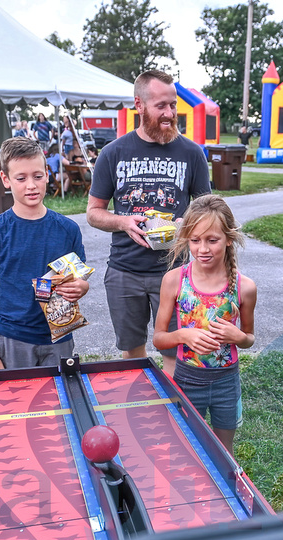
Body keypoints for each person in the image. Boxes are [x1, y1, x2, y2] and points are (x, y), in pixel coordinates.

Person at [86, 69, 211, 375]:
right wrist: (122, 222)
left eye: (173, 106)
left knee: (174, 349)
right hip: (124, 272)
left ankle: (173, 412)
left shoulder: (191, 154)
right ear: (139, 105)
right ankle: (138, 409)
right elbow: (93, 212)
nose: (169, 114)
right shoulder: (113, 153)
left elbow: (207, 209)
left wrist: (188, 223)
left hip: (175, 272)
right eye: (161, 106)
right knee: (132, 351)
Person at [153, 195, 256, 455]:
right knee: (187, 448)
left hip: (226, 382)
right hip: (187, 379)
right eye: (195, 240)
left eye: (212, 240)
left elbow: (249, 337)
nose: (203, 249)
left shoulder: (245, 287)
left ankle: (227, 494)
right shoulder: (175, 280)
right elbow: (158, 339)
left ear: (229, 238)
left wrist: (238, 336)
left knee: (224, 450)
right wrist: (183, 335)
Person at [0, 136, 89, 370]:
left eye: (38, 176)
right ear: (6, 180)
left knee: (59, 400)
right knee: (17, 402)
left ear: (47, 174)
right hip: (12, 338)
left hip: (60, 335)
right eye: (21, 178)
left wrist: (82, 287)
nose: (31, 185)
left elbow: (79, 278)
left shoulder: (68, 229)